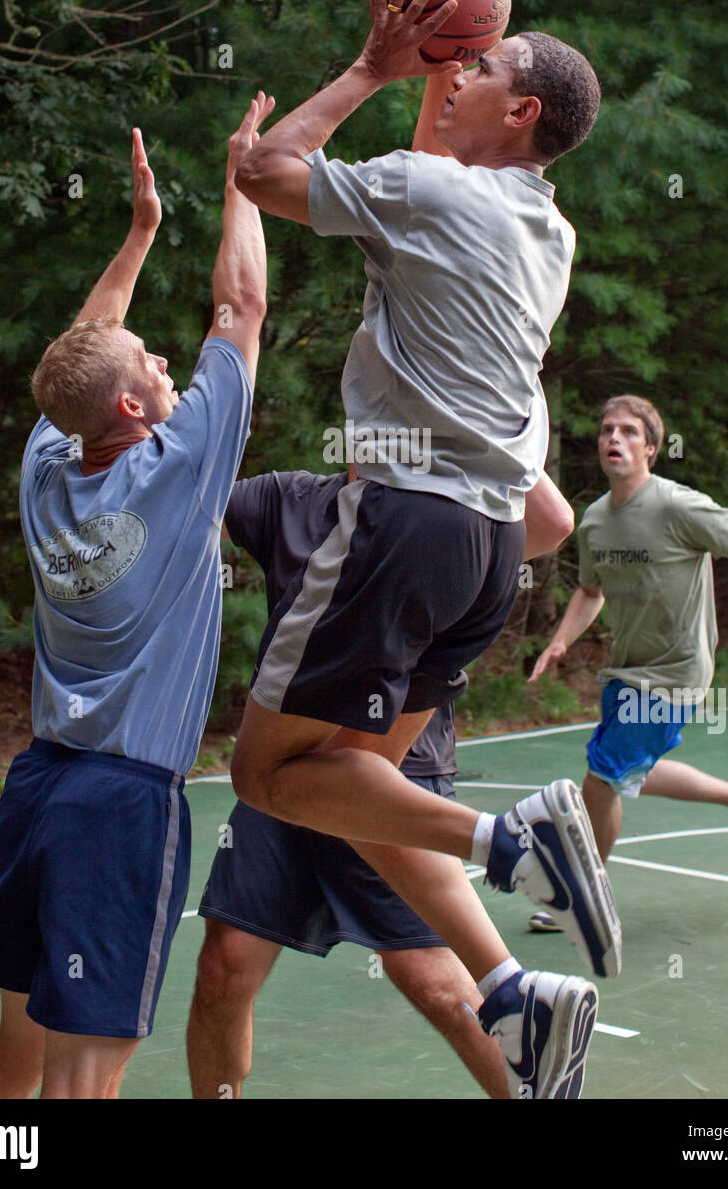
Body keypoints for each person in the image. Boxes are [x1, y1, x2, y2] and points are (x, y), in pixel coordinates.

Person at [229, 0, 616, 1099]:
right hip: (490, 550)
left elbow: (259, 173)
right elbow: (432, 170)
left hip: (401, 522)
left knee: (267, 775)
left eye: (480, 66)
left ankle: (515, 842)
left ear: (522, 111)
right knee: (353, 790)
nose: (460, 72)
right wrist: (432, 80)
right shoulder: (545, 226)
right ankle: (511, 995)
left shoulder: (433, 194)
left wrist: (368, 68)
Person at [0, 97, 273, 1099]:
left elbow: (83, 350)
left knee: (15, 1069)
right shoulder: (178, 470)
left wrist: (138, 234)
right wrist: (240, 180)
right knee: (86, 1083)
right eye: (152, 365)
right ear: (132, 405)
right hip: (121, 802)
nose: (168, 362)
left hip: (36, 787)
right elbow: (240, 308)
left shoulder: (50, 459)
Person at [188, 467, 575, 1100]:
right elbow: (192, 481)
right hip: (288, 766)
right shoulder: (291, 498)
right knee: (223, 968)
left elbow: (555, 522)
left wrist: (508, 398)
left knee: (437, 984)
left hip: (390, 767)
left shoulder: (449, 508)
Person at [527, 394, 728, 930]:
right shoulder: (596, 521)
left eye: (627, 431)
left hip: (676, 672)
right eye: (606, 430)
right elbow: (590, 592)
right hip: (629, 670)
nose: (613, 439)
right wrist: (560, 640)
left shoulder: (677, 506)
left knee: (600, 780)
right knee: (631, 772)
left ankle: (587, 898)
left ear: (651, 448)